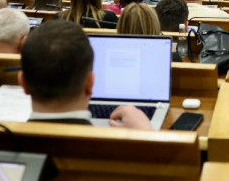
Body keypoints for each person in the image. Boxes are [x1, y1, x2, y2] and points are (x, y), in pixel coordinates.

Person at [19, 20, 151, 128]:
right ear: (90, 83)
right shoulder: (125, 148)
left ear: (22, 82)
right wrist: (146, 133)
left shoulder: (6, 141)